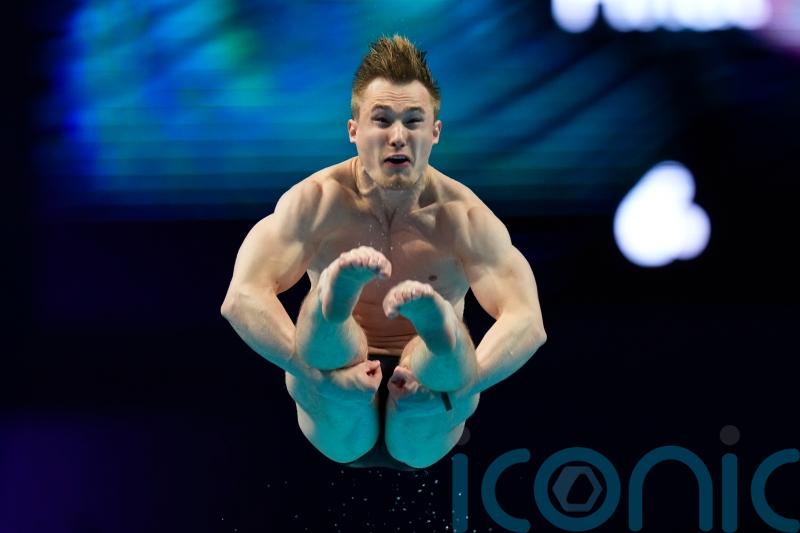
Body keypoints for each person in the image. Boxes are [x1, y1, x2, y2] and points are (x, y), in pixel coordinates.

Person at [221, 35, 546, 470]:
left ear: (435, 132)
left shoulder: (465, 218)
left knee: (437, 365)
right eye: (382, 120)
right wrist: (312, 375)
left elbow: (528, 320)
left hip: (427, 398)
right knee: (331, 349)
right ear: (354, 130)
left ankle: (436, 331)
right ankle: (334, 306)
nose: (397, 136)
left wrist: (465, 385)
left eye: (413, 121)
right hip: (335, 387)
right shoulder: (316, 202)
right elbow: (241, 298)